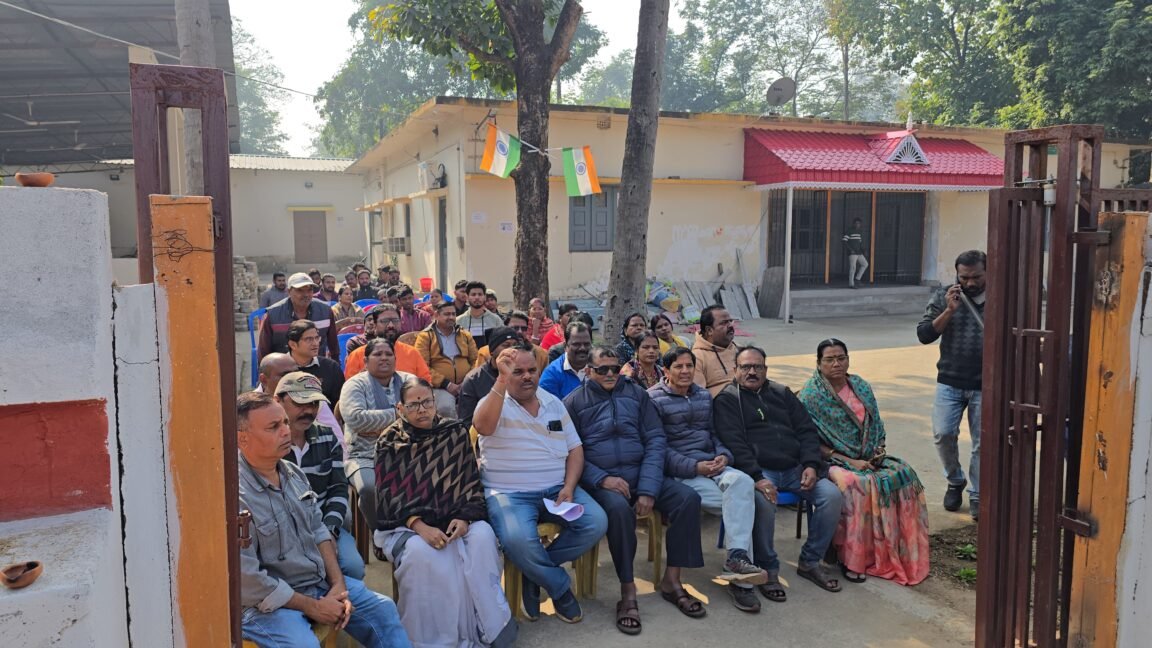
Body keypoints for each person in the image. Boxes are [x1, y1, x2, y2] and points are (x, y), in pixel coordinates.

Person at [236, 392, 411, 648]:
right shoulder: (233, 495)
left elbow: (319, 531)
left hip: (315, 583)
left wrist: (338, 585)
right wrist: (314, 607)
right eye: (274, 427)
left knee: (383, 610)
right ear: (243, 438)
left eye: (285, 422)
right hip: (266, 604)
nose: (286, 431)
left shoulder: (292, 473)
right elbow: (249, 580)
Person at [564, 346, 705, 633]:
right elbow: (569, 453)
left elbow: (655, 439)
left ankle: (672, 579)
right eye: (602, 369)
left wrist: (649, 489)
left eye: (615, 368)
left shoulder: (636, 394)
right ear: (588, 371)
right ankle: (628, 591)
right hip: (604, 481)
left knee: (688, 499)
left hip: (642, 473)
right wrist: (602, 479)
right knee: (618, 511)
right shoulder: (573, 403)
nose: (610, 374)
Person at [373, 377, 518, 647]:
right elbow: (387, 496)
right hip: (407, 525)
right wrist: (420, 526)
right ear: (400, 408)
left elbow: (470, 481)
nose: (422, 409)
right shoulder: (390, 441)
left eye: (426, 402)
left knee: (482, 538)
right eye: (413, 404)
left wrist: (464, 518)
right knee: (425, 555)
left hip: (458, 516)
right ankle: (433, 639)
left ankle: (488, 628)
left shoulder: (453, 432)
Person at [473, 343, 608, 623]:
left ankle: (532, 572)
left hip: (557, 489)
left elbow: (575, 450)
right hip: (509, 493)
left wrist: (569, 487)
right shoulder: (494, 401)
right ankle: (559, 587)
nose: (526, 376)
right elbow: (483, 427)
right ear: (505, 374)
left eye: (532, 370)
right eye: (517, 371)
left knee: (596, 522)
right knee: (516, 540)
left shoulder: (552, 402)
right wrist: (500, 379)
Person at [714, 346, 846, 595]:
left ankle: (810, 561)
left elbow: (807, 431)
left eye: (758, 367)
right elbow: (735, 444)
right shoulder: (727, 400)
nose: (752, 372)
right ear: (735, 370)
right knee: (763, 502)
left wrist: (810, 464)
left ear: (766, 369)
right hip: (761, 470)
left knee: (831, 496)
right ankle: (768, 567)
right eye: (746, 367)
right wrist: (757, 477)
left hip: (795, 468)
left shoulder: (781, 393)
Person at [798, 339, 930, 586]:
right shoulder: (811, 396)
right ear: (818, 363)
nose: (837, 364)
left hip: (868, 456)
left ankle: (897, 551)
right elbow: (810, 443)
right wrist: (850, 460)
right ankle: (852, 559)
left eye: (841, 358)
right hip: (831, 461)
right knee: (858, 485)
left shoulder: (859, 385)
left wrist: (878, 450)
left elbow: (876, 424)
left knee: (903, 475)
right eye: (829, 359)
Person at [648, 348, 771, 613]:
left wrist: (724, 456)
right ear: (666, 371)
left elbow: (715, 434)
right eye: (678, 367)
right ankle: (743, 585)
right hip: (683, 472)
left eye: (689, 366)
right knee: (741, 505)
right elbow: (658, 448)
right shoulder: (653, 400)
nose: (685, 371)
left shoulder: (703, 396)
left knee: (744, 485)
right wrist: (694, 466)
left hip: (713, 464)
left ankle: (736, 558)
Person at [273, 372, 364, 580]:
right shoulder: (269, 444)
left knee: (353, 567)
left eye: (314, 404)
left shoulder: (327, 436)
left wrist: (330, 531)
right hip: (283, 536)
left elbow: (339, 489)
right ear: (278, 401)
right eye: (300, 403)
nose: (309, 411)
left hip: (324, 525)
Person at [917, 249, 986, 520]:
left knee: (982, 442)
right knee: (943, 434)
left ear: (987, 272)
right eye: (964, 277)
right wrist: (949, 310)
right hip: (950, 379)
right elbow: (924, 334)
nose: (970, 283)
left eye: (976, 277)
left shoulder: (1002, 296)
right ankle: (955, 480)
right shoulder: (945, 295)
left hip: (985, 383)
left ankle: (978, 493)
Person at [340, 338, 416, 530]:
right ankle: (381, 533)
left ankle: (413, 528)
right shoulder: (354, 385)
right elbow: (356, 419)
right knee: (368, 488)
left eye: (388, 354)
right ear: (365, 361)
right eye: (377, 354)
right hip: (364, 455)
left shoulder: (409, 381)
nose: (384, 358)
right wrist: (401, 413)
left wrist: (376, 429)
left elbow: (424, 414)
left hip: (409, 450)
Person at [257, 352, 343, 452]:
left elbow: (337, 441)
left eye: (295, 373)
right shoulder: (250, 408)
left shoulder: (316, 400)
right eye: (299, 403)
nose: (309, 410)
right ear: (263, 379)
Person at [415, 301, 478, 419]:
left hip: (467, 383)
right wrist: (447, 384)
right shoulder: (425, 336)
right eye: (447, 314)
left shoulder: (465, 335)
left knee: (479, 406)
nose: (451, 317)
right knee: (446, 408)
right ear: (436, 315)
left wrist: (468, 380)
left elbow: (476, 360)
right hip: (440, 386)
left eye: (453, 314)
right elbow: (422, 366)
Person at [258, 272, 339, 362]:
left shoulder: (325, 311)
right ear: (289, 291)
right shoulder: (272, 315)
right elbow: (263, 351)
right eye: (300, 290)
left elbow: (334, 346)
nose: (306, 294)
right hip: (284, 369)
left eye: (309, 290)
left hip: (317, 368)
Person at [343, 304, 431, 382]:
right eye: (385, 321)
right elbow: (350, 388)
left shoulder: (412, 353)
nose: (391, 325)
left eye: (395, 320)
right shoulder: (357, 355)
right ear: (374, 324)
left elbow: (425, 383)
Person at [458, 327, 523, 421]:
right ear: (492, 351)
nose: (512, 350)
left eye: (516, 345)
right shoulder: (474, 380)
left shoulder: (524, 374)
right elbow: (466, 421)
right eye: (506, 345)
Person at [286, 320, 345, 407]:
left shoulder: (331, 367)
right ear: (293, 344)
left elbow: (340, 403)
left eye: (317, 338)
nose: (315, 343)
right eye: (309, 339)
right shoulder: (278, 367)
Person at [473, 311, 550, 374]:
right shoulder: (485, 352)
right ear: (505, 327)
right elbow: (479, 378)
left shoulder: (541, 353)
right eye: (515, 328)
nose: (520, 332)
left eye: (523, 328)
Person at [692, 305, 739, 397]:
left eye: (730, 321)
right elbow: (699, 396)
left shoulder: (739, 349)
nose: (730, 325)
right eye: (724, 323)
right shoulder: (697, 357)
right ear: (709, 330)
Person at [539, 321, 593, 400]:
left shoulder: (601, 368)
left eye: (586, 344)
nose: (582, 348)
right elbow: (549, 408)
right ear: (565, 346)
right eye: (576, 344)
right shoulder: (552, 374)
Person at [457, 281, 504, 349]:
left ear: (484, 297)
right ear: (467, 297)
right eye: (473, 294)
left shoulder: (496, 320)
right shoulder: (458, 321)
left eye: (480, 294)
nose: (477, 297)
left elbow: (502, 343)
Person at [843, 218, 869, 288]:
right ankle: (851, 284)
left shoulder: (859, 232)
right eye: (856, 223)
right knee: (853, 268)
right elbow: (844, 241)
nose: (858, 225)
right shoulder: (849, 231)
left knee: (865, 264)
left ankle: (857, 279)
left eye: (859, 223)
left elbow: (860, 243)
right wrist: (850, 250)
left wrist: (863, 250)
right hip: (852, 253)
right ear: (853, 223)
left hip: (859, 252)